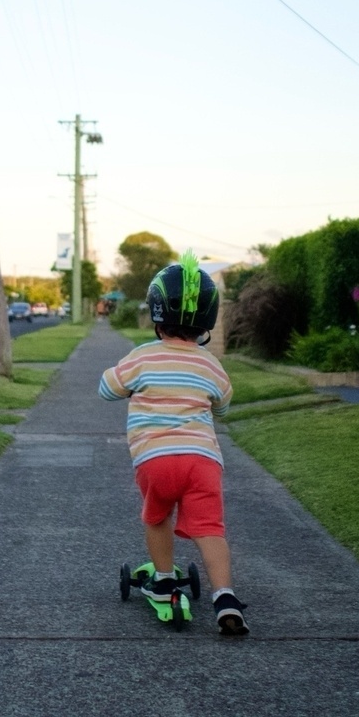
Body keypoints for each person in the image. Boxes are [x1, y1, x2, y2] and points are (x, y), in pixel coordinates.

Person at [99, 251, 248, 635]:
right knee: (210, 528)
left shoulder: (141, 357)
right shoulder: (210, 364)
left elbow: (107, 389)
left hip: (156, 459)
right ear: (208, 320)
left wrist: (121, 376)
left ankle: (164, 579)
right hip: (203, 462)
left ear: (156, 312)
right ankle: (226, 598)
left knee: (158, 515)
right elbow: (225, 405)